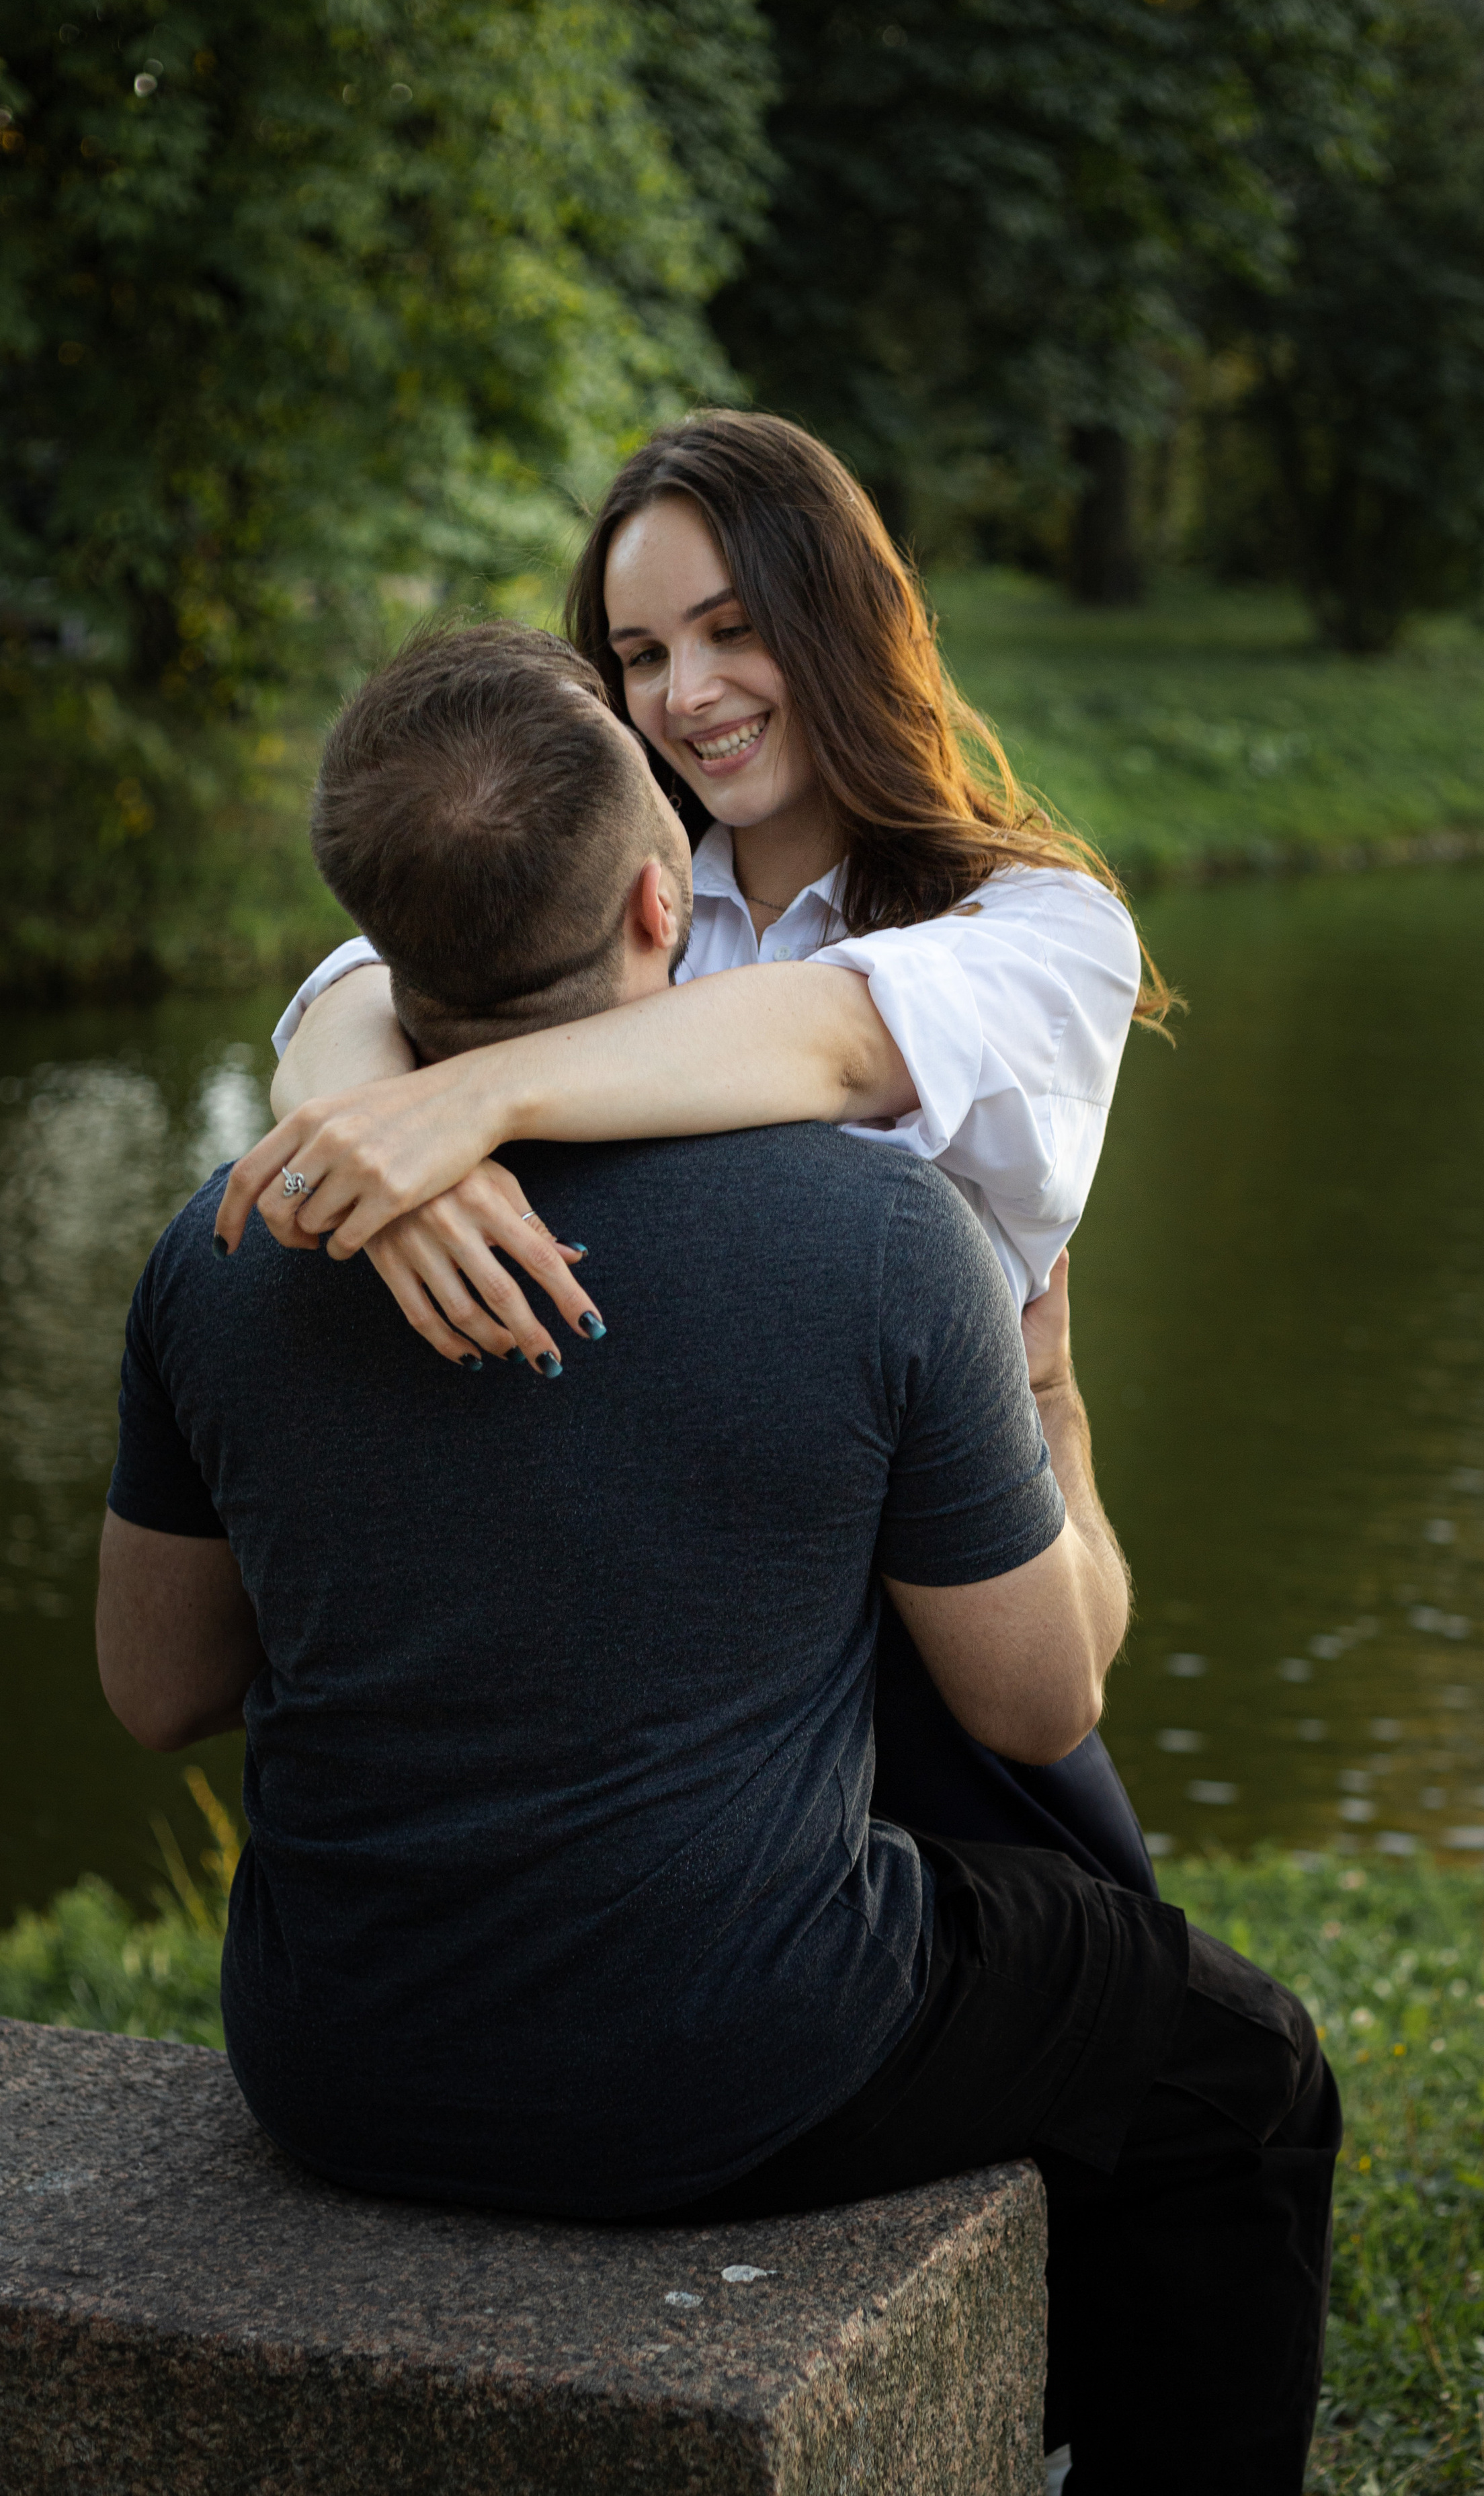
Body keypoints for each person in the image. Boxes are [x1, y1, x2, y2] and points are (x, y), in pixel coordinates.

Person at [101, 622, 1340, 2493]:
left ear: (368, 945)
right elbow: (1034, 1698)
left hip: (334, 2055)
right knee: (1240, 2072)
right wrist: (1061, 1418)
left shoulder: (228, 1247)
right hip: (733, 2064)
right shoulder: (879, 1235)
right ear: (661, 908)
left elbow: (156, 1687)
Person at [226, 409, 1171, 1896]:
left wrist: (472, 1100)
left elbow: (838, 1043)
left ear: (841, 617)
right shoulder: (620, 873)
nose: (689, 693)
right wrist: (404, 1156)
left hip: (925, 1631)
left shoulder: (1042, 931)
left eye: (732, 630)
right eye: (641, 655)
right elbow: (351, 983)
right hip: (640, 1656)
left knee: (1167, 2060)